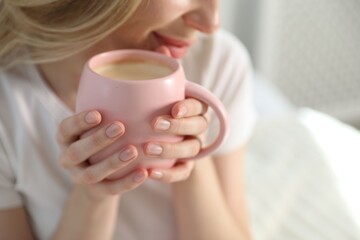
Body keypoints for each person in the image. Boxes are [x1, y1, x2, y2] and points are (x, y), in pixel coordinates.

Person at [0, 0, 256, 239]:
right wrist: (92, 194)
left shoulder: (216, 63)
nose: (212, 23)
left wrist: (190, 151)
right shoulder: (9, 103)